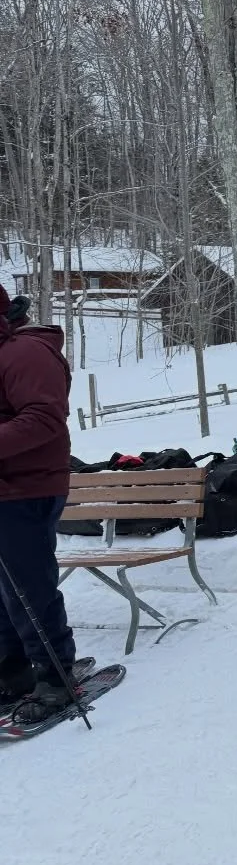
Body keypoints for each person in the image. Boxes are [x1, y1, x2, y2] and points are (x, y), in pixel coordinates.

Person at [0, 284, 79, 724]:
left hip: (26, 488)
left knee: (28, 588)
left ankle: (55, 675)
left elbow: (45, 419)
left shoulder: (25, 352)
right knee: (3, 593)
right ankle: (12, 672)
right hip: (7, 487)